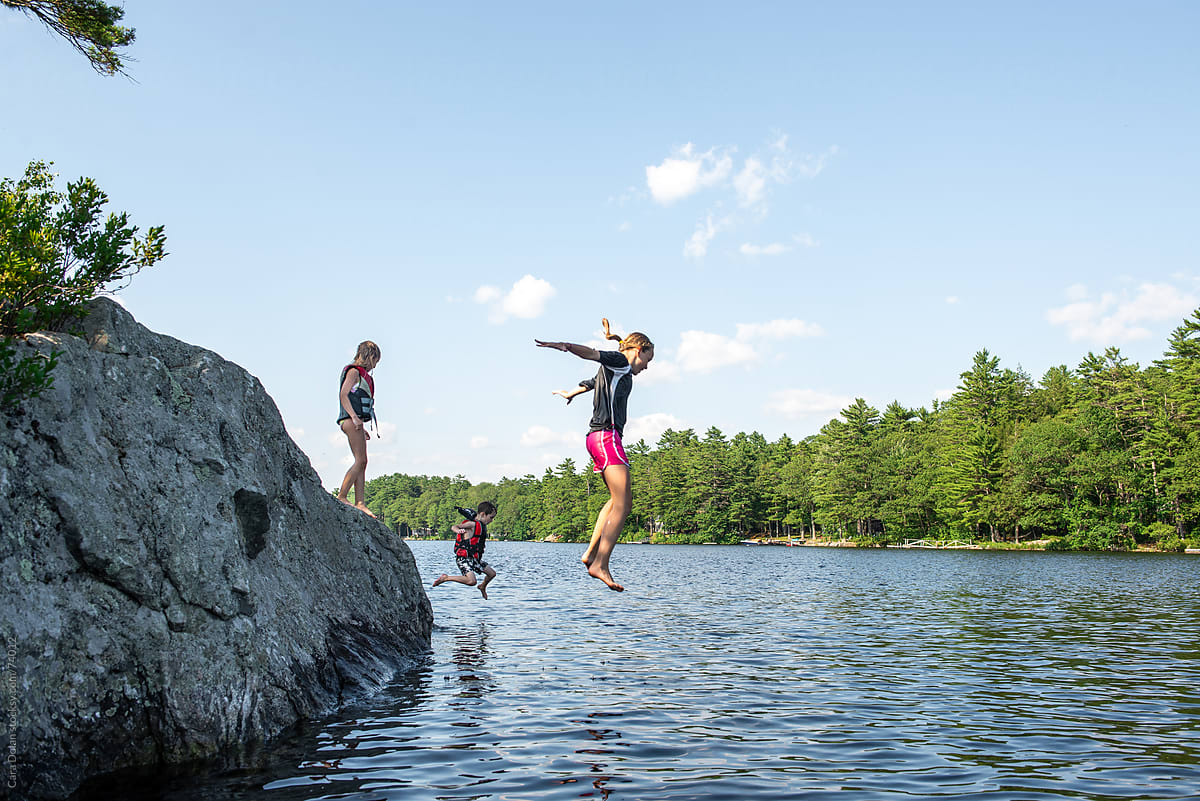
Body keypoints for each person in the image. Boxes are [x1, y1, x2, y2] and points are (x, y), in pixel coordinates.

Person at [535, 318, 654, 592]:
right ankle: (601, 563)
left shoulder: (614, 371)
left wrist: (570, 393)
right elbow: (591, 353)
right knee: (624, 505)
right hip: (607, 436)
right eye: (648, 358)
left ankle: (590, 553)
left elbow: (590, 382)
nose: (647, 366)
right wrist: (563, 346)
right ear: (638, 349)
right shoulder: (620, 361)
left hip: (597, 439)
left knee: (615, 501)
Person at [336, 340, 381, 516]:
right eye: (375, 361)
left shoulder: (360, 374)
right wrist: (354, 418)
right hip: (350, 420)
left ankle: (360, 502)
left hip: (356, 422)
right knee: (361, 461)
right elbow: (343, 394)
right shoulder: (354, 372)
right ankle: (342, 495)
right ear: (369, 357)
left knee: (362, 461)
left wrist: (361, 427)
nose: (375, 366)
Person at [433, 501, 498, 599]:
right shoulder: (472, 524)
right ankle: (446, 578)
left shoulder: (481, 526)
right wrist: (458, 531)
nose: (492, 520)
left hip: (474, 558)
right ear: (483, 514)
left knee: (492, 574)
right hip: (463, 558)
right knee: (471, 581)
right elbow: (454, 526)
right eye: (491, 517)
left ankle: (482, 586)